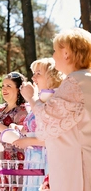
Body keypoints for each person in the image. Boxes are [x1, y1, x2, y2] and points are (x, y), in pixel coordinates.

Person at [21, 28, 91, 191]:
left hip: (74, 166)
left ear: (66, 53)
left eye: (54, 50)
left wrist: (31, 98)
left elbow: (47, 120)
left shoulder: (75, 82)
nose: (53, 56)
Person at [12, 58, 63, 191]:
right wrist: (20, 129)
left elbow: (56, 137)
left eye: (38, 73)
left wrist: (30, 97)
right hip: (34, 159)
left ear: (52, 76)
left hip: (47, 159)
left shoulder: (56, 99)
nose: (33, 77)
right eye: (33, 73)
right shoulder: (40, 99)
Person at [0, 72, 28, 189]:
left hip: (13, 164)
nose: (4, 89)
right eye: (3, 86)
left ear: (19, 89)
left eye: (9, 86)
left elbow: (19, 136)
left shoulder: (23, 111)